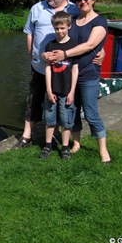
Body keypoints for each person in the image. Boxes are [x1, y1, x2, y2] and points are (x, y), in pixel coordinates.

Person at [45, 0, 111, 164]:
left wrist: (65, 54)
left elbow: (90, 45)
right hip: (68, 76)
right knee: (71, 111)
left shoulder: (99, 21)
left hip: (88, 75)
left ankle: (103, 150)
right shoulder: (72, 19)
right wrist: (46, 53)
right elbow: (61, 40)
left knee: (91, 113)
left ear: (92, 0)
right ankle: (76, 143)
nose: (83, 2)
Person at [15, 0, 81, 148]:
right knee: (33, 100)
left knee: (60, 101)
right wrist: (33, 55)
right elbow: (29, 33)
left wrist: (99, 50)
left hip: (63, 69)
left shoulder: (74, 9)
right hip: (39, 67)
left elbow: (86, 30)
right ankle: (27, 135)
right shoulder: (37, 8)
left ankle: (57, 135)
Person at [40, 12, 78, 160]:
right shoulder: (50, 45)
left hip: (67, 90)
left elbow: (75, 69)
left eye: (62, 28)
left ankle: (65, 148)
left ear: (69, 26)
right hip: (52, 90)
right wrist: (49, 90)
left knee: (66, 120)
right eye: (57, 28)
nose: (59, 31)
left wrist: (72, 91)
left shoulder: (73, 46)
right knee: (50, 119)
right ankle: (48, 145)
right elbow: (48, 68)